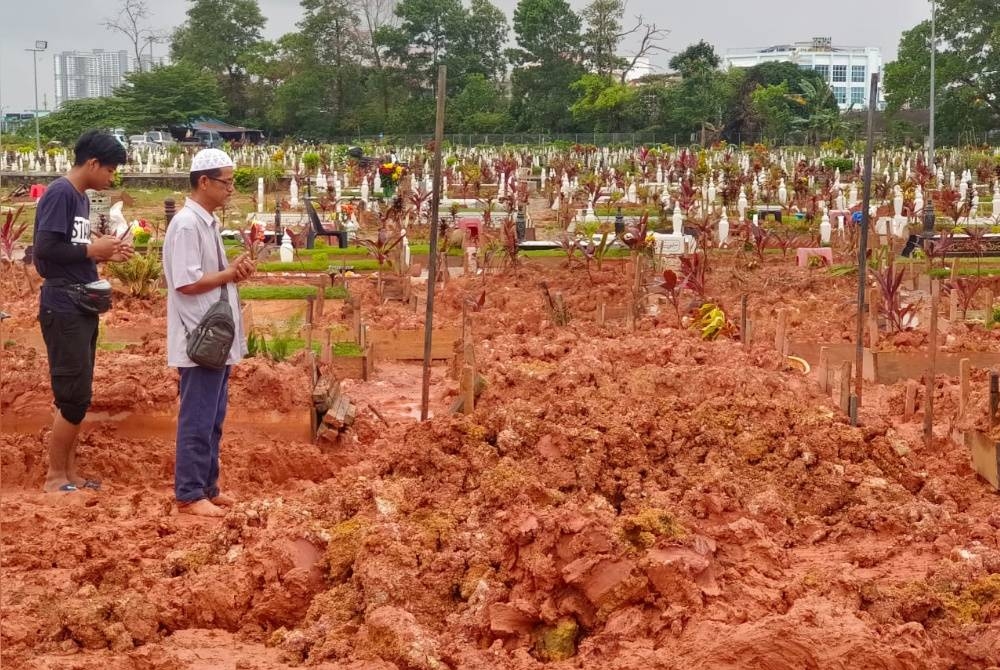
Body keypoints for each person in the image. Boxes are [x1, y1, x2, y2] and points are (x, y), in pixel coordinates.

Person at [33, 130, 131, 493]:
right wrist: (92, 251)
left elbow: (74, 247)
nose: (112, 177)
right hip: (62, 305)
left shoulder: (81, 199)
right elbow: (44, 250)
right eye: (110, 169)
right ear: (92, 163)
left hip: (80, 303)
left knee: (77, 394)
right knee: (73, 396)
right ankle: (54, 476)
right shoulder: (60, 194)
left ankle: (69, 474)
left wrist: (104, 251)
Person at [163, 148, 254, 517]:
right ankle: (188, 494)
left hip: (214, 339)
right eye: (226, 182)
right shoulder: (186, 224)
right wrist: (229, 274)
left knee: (212, 418)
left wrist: (232, 271)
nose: (231, 189)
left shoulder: (205, 222)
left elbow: (206, 276)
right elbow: (186, 283)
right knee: (198, 418)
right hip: (199, 338)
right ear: (204, 181)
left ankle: (207, 487)